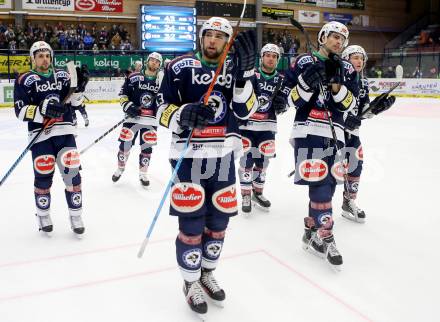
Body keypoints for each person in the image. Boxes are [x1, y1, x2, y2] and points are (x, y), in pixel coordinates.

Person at [156, 17, 258, 317]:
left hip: (224, 156)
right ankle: (189, 282)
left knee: (218, 223)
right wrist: (183, 114)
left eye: (219, 36)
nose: (212, 40)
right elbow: (161, 109)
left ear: (228, 41)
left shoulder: (236, 67)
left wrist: (242, 78)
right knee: (190, 223)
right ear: (201, 38)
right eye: (208, 35)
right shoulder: (178, 67)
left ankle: (206, 272)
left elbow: (246, 110)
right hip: (188, 157)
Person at [283, 22, 358, 270]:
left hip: (335, 133)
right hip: (308, 130)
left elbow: (348, 105)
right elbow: (290, 100)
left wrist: (337, 86)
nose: (338, 42)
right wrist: (306, 82)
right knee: (320, 186)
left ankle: (311, 231)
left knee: (328, 186)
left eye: (342, 39)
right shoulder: (304, 62)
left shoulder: (346, 67)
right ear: (323, 37)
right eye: (334, 37)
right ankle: (326, 235)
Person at [13, 41, 85, 237]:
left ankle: (76, 215)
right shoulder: (24, 80)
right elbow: (19, 111)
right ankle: (43, 215)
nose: (44, 59)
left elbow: (75, 102)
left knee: (73, 175)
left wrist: (79, 90)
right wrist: (41, 111)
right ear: (33, 59)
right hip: (41, 136)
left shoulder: (63, 75)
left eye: (47, 55)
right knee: (43, 176)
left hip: (65, 133)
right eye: (40, 56)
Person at [340, 45, 396, 223]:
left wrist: (376, 108)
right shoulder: (337, 79)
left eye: (362, 58)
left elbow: (364, 110)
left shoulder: (363, 82)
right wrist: (344, 120)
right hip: (334, 133)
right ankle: (320, 204)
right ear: (346, 59)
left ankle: (349, 202)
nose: (359, 61)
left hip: (353, 134)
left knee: (356, 165)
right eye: (355, 57)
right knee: (331, 171)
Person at [238, 43, 287, 213]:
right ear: (262, 57)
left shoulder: (281, 79)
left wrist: (283, 106)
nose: (271, 58)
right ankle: (245, 194)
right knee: (247, 160)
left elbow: (285, 102)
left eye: (274, 56)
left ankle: (257, 193)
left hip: (268, 127)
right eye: (268, 55)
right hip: (247, 126)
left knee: (263, 162)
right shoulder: (252, 75)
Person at [112, 52, 163, 187]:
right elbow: (123, 94)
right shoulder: (134, 77)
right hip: (132, 118)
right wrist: (129, 106)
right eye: (152, 60)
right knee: (124, 146)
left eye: (157, 61)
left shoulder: (162, 81)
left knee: (147, 148)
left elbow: (166, 100)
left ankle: (143, 173)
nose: (154, 62)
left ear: (159, 65)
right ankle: (120, 168)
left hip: (151, 120)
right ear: (147, 61)